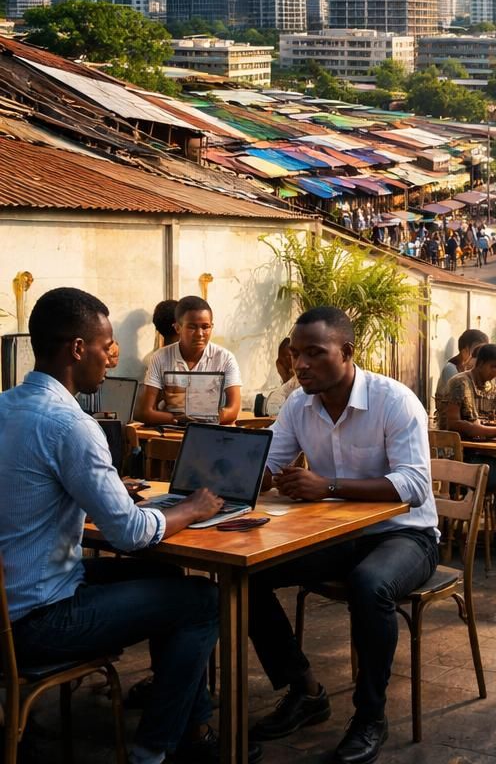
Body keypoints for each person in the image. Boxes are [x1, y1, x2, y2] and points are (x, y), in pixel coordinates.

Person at [0, 287, 234, 764]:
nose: (111, 358)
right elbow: (129, 534)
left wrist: (97, 492)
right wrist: (190, 509)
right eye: (106, 346)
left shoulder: (6, 406)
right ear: (77, 349)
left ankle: (193, 728)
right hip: (39, 621)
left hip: (9, 602)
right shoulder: (71, 425)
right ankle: (154, 749)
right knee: (203, 601)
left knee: (168, 578)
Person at [246, 306, 439, 763]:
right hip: (337, 536)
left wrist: (327, 486)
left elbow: (414, 486)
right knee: (248, 572)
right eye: (296, 354)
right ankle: (306, 689)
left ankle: (370, 716)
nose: (302, 365)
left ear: (347, 352)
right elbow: (268, 462)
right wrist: (245, 472)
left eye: (315, 353)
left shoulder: (394, 401)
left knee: (370, 585)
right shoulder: (298, 404)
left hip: (406, 536)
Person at [439, 343, 496, 536]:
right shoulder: (460, 382)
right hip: (456, 458)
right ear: (480, 364)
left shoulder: (493, 389)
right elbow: (454, 424)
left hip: (480, 454)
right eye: (493, 366)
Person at [134, 295, 242, 426]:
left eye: (205, 327)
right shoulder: (160, 357)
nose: (200, 333)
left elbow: (234, 410)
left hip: (210, 432)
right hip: (171, 433)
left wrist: (205, 420)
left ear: (211, 326)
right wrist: (181, 420)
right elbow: (147, 411)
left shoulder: (225, 358)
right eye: (192, 327)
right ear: (177, 327)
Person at [434, 329, 488, 418]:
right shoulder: (451, 369)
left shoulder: (469, 369)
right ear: (465, 351)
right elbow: (462, 400)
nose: (481, 356)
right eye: (476, 352)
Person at [264, 336, 300, 418]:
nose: (290, 361)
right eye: (287, 357)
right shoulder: (285, 388)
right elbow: (273, 408)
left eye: (293, 356)